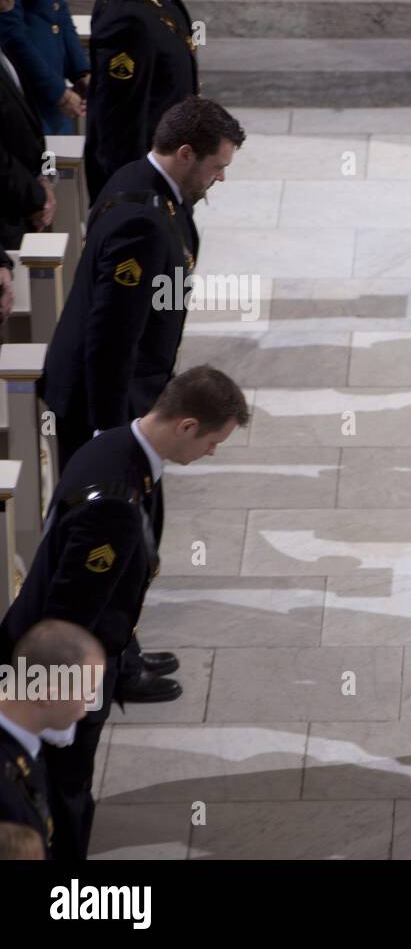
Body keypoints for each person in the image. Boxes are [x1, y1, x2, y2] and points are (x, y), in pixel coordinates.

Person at [0, 365, 249, 859]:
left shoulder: (115, 446)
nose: (211, 453)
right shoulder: (114, 502)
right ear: (186, 426)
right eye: (212, 442)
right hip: (59, 669)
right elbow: (71, 611)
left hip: (58, 653)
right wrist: (63, 711)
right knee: (64, 792)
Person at [42, 95, 242, 471]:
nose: (221, 177)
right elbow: (112, 335)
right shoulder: (142, 225)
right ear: (185, 153)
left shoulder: (143, 180)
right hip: (99, 403)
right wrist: (111, 430)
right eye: (217, 166)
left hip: (132, 392)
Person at [0, 619, 106, 859]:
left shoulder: (22, 743)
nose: (90, 704)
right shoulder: (4, 790)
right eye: (87, 692)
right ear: (48, 694)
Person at [84, 0, 198, 200]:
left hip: (171, 167)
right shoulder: (126, 16)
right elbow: (119, 123)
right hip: (148, 179)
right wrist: (133, 195)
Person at [0, 0, 55, 252]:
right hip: (8, 225)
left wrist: (45, 178)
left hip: (26, 215)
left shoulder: (5, 50)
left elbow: (31, 131)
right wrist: (38, 196)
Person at [0, 0, 89, 135]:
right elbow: (11, 34)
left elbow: (59, 14)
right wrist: (58, 93)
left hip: (55, 102)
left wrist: (81, 72)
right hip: (31, 94)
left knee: (57, 155)